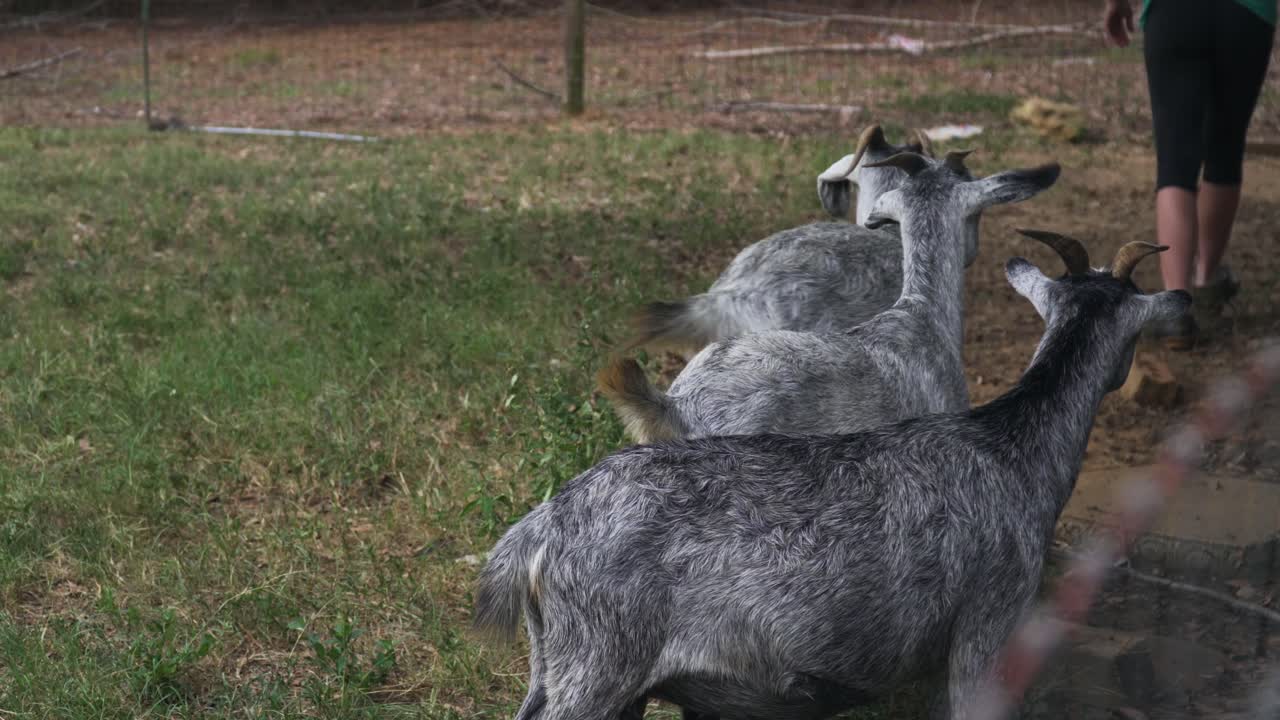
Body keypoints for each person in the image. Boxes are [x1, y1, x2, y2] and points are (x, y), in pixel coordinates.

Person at [1103, 0, 1276, 349]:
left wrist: (1117, 5)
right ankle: (1207, 277)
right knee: (1225, 151)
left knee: (1175, 162)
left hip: (1174, 13)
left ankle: (1175, 307)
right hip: (1247, 16)